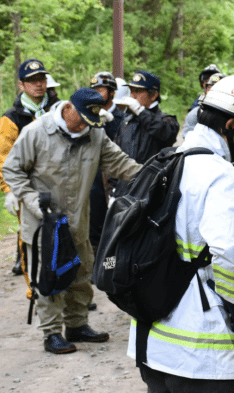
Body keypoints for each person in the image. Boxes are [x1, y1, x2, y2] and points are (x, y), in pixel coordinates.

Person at [128, 75, 234, 392]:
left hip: (152, 343)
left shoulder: (168, 160)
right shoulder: (220, 174)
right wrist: (232, 305)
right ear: (230, 125)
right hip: (202, 351)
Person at [2, 88, 142, 354]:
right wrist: (31, 201)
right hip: (44, 224)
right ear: (68, 108)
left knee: (81, 272)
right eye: (83, 120)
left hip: (78, 220)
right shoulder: (36, 133)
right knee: (50, 276)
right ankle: (52, 333)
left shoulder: (94, 133)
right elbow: (12, 169)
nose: (86, 127)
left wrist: (151, 174)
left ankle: (77, 325)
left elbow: (119, 163)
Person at [0, 59, 60, 278]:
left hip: (59, 183)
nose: (38, 84)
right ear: (21, 85)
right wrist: (9, 190)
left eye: (42, 79)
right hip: (27, 188)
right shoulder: (11, 118)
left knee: (64, 235)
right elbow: (3, 157)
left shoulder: (59, 110)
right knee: (30, 238)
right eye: (32, 80)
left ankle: (66, 289)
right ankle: (34, 287)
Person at [112, 70, 179, 195]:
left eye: (138, 91)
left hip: (150, 192)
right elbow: (116, 155)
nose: (132, 96)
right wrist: (113, 189)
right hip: (124, 192)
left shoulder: (167, 121)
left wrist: (140, 111)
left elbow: (164, 133)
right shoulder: (127, 121)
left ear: (153, 95)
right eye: (132, 91)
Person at [89, 72, 127, 253]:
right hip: (93, 177)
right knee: (93, 218)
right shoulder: (87, 116)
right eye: (94, 89)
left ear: (112, 93)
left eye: (101, 89)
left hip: (115, 175)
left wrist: (109, 124)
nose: (97, 93)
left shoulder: (122, 118)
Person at [181, 72, 223, 139]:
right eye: (209, 87)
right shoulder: (195, 115)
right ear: (205, 90)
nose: (212, 91)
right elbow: (188, 141)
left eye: (217, 88)